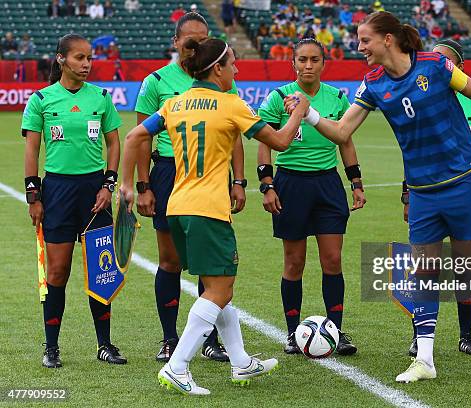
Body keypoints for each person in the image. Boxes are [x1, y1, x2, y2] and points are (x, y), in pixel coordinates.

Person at [285, 11, 471, 383]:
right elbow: (341, 132)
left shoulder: (436, 64)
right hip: (422, 193)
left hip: (464, 181)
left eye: (365, 39)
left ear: (387, 39)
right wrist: (308, 115)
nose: (359, 47)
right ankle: (425, 358)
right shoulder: (372, 82)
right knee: (423, 273)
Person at [121, 37, 310, 396]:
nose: (237, 69)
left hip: (177, 206)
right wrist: (299, 109)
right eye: (233, 64)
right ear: (218, 68)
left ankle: (241, 362)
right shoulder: (230, 104)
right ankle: (177, 366)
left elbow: (133, 137)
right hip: (209, 209)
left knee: (215, 286)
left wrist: (128, 185)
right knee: (221, 289)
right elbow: (282, 142)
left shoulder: (174, 103)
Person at [135, 12, 246, 363]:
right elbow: (139, 138)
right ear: (176, 43)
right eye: (189, 42)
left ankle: (211, 340)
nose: (194, 47)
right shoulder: (156, 82)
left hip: (211, 176)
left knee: (207, 261)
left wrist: (239, 181)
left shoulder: (222, 79)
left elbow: (236, 137)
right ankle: (170, 340)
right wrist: (143, 185)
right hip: (169, 173)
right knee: (170, 261)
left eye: (201, 41)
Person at [21, 34, 126, 368]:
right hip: (58, 193)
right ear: (61, 59)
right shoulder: (41, 100)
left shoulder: (102, 97)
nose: (86, 64)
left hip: (94, 192)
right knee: (58, 270)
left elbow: (114, 143)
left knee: (101, 271)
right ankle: (51, 347)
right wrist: (33, 196)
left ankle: (105, 345)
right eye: (79, 58)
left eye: (90, 58)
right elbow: (32, 150)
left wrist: (108, 185)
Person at [257, 38, 364, 356]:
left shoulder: (337, 98)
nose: (308, 65)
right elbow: (264, 141)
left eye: (314, 60)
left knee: (332, 260)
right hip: (290, 184)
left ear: (323, 63)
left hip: (327, 185)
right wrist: (267, 184)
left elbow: (345, 141)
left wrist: (355, 182)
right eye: (302, 60)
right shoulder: (278, 97)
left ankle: (336, 331)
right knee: (294, 262)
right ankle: (292, 334)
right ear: (293, 63)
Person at [403, 39, 471, 358]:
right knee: (425, 266)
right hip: (426, 193)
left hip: (465, 192)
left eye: (443, 60)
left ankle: (465, 335)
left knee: (464, 265)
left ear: (458, 68)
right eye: (431, 57)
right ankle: (420, 337)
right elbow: (411, 149)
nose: (434, 63)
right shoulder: (417, 99)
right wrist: (406, 193)